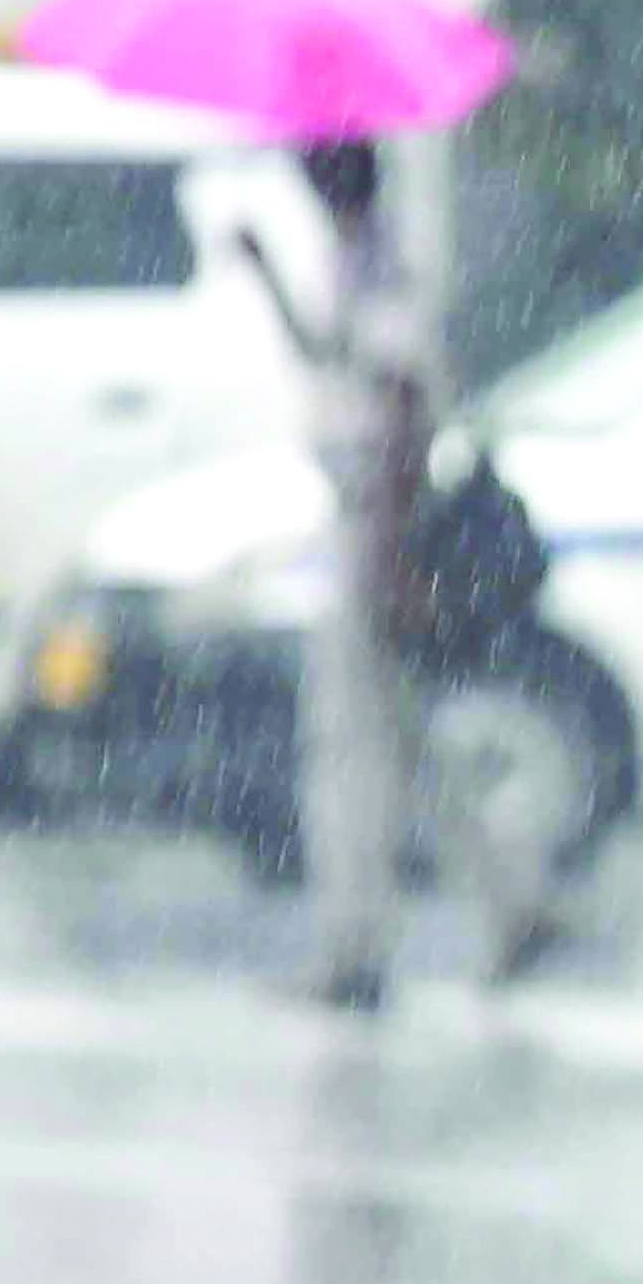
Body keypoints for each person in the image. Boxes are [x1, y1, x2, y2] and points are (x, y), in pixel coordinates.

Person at [275, 138, 438, 1011]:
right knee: (406, 742)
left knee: (345, 748)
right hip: (363, 526)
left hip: (369, 534)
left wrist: (386, 546)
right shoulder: (355, 264)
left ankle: (352, 951)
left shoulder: (380, 270)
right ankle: (515, 901)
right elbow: (336, 364)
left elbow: (405, 404)